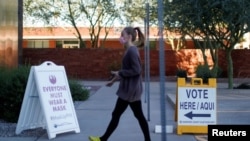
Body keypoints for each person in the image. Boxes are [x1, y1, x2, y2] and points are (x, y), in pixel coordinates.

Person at [89, 26, 151, 141]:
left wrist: (120, 72)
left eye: (123, 35)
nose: (120, 37)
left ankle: (103, 139)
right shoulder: (129, 50)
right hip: (129, 90)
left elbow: (137, 70)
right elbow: (125, 71)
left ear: (130, 37)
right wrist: (113, 81)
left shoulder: (132, 51)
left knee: (119, 114)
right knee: (137, 116)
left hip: (130, 91)